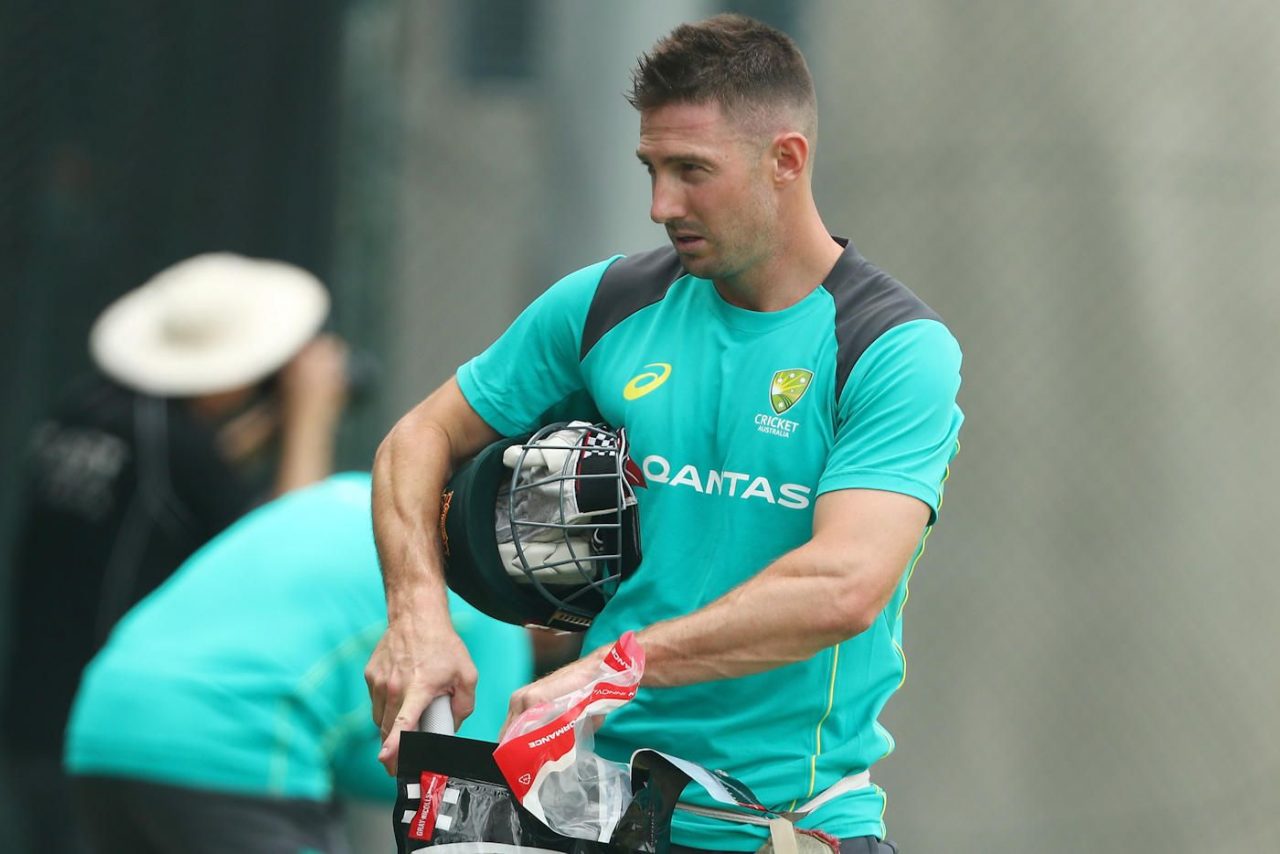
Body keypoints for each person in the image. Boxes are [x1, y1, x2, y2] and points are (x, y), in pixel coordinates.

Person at [365, 15, 963, 854]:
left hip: (785, 823)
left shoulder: (890, 348)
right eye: (650, 169)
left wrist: (613, 668)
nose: (660, 206)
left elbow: (844, 586)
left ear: (785, 160)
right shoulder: (607, 302)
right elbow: (417, 438)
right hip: (594, 807)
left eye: (692, 172)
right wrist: (417, 618)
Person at [1, 253, 349, 854]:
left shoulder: (84, 411)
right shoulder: (183, 451)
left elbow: (158, 509)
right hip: (132, 730)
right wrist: (310, 420)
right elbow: (287, 540)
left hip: (46, 716)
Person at [63, 472, 533, 854]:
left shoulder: (365, 496)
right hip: (236, 742)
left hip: (105, 719)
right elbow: (454, 792)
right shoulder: (488, 593)